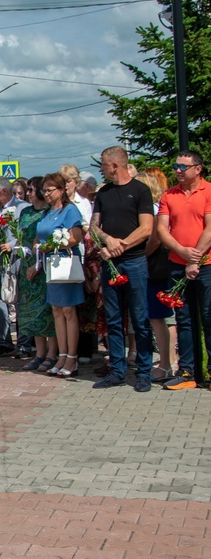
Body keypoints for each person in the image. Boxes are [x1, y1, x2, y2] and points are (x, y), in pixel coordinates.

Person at [90, 146, 154, 392]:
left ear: (115, 165)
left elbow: (146, 228)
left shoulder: (140, 190)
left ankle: (144, 372)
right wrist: (106, 241)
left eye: (104, 165)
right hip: (110, 262)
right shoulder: (103, 193)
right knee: (114, 319)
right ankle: (117, 370)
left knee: (140, 319)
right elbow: (94, 227)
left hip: (135, 262)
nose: (102, 169)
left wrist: (121, 245)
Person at [156, 150, 211, 390]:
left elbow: (209, 228)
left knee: (209, 317)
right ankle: (187, 372)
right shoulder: (169, 195)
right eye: (176, 166)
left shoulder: (208, 191)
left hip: (206, 266)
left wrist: (194, 259)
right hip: (177, 265)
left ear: (197, 169)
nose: (178, 170)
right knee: (184, 319)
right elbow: (162, 230)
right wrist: (182, 251)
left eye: (183, 167)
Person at [31, 172, 85, 379]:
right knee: (56, 311)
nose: (46, 194)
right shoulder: (46, 213)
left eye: (50, 190)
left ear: (61, 190)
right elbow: (39, 235)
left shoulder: (69, 210)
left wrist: (51, 245)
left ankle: (72, 356)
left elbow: (75, 238)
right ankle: (61, 355)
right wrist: (38, 246)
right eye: (44, 190)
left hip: (65, 264)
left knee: (68, 311)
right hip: (50, 266)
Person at [14, 178, 57, 372]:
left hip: (45, 265)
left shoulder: (48, 212)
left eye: (31, 190)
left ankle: (52, 353)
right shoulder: (26, 212)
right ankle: (39, 353)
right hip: (27, 265)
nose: (28, 193)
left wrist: (38, 263)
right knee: (32, 315)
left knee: (48, 312)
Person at [136, 169, 175, 383]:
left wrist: (142, 256)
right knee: (162, 318)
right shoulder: (158, 207)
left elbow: (155, 239)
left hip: (155, 267)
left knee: (157, 318)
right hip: (159, 268)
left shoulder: (153, 210)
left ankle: (166, 364)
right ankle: (168, 361)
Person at [0, 177, 29, 356]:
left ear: (4, 192)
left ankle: (24, 343)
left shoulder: (22, 208)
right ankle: (4, 341)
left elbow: (27, 234)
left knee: (19, 302)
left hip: (15, 260)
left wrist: (12, 244)